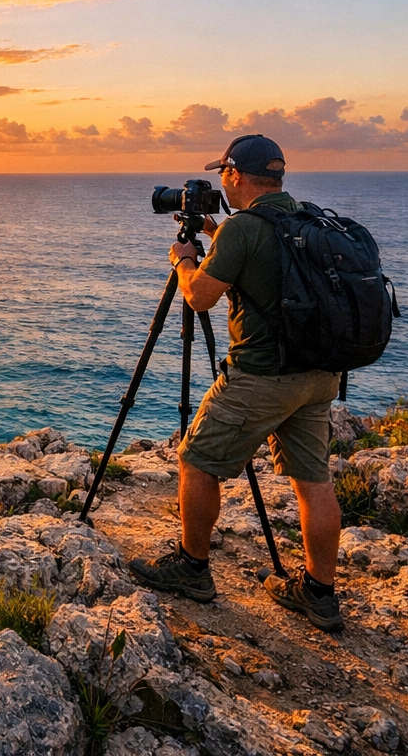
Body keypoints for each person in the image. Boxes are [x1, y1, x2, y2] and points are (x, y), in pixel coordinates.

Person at [126, 134, 345, 632]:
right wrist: (216, 229)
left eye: (224, 173)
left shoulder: (243, 230)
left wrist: (183, 259)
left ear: (235, 176)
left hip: (264, 376)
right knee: (314, 482)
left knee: (196, 460)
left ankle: (192, 568)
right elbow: (266, 254)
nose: (222, 181)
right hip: (320, 375)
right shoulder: (302, 216)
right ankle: (320, 595)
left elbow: (200, 297)